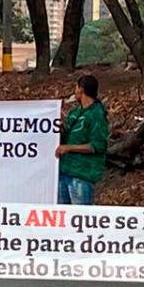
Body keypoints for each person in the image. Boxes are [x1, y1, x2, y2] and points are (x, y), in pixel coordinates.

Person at [55, 74, 108, 205]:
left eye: (76, 87)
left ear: (81, 89)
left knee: (79, 217)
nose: (74, 91)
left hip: (82, 174)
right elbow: (66, 134)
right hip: (64, 170)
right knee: (63, 216)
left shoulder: (97, 115)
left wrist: (69, 148)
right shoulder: (75, 112)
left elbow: (98, 145)